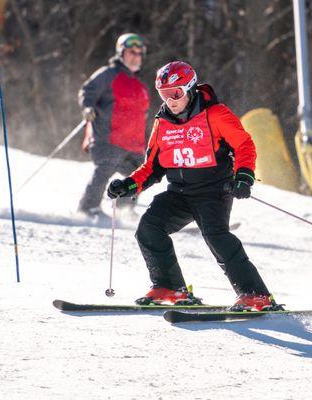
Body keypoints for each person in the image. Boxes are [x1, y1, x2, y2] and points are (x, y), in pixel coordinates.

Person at [106, 61, 281, 311]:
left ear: (189, 88)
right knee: (149, 228)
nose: (171, 100)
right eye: (164, 94)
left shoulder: (215, 114)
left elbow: (244, 145)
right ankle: (169, 287)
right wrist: (128, 185)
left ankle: (256, 295)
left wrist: (244, 177)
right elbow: (153, 166)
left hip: (214, 191)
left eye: (176, 93)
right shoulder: (162, 123)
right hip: (178, 193)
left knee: (216, 236)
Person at [77, 33, 149, 216]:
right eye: (131, 52)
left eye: (139, 53)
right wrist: (87, 107)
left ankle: (124, 211)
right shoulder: (108, 74)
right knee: (105, 168)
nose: (135, 57)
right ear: (121, 53)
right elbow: (87, 91)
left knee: (137, 177)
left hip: (133, 144)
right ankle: (88, 208)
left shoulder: (140, 86)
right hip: (107, 137)